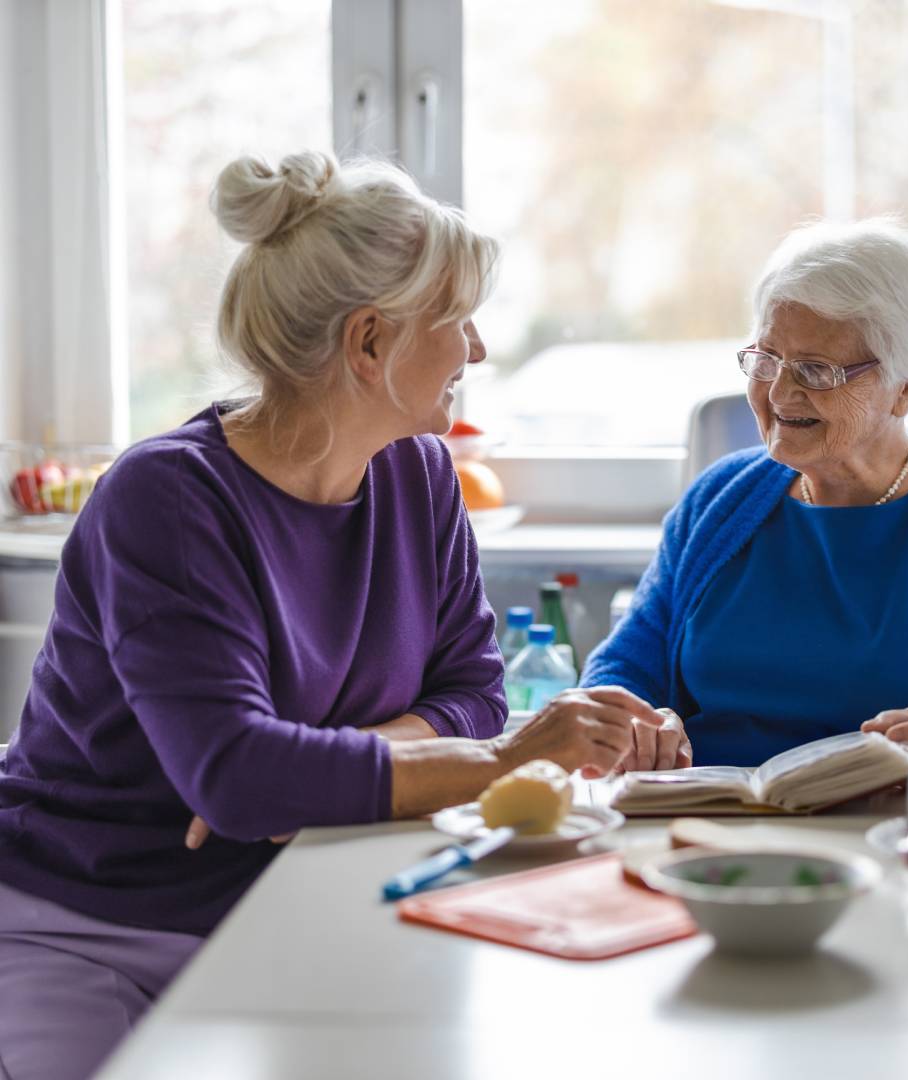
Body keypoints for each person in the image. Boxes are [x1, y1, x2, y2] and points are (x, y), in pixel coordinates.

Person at [0, 151, 664, 1080]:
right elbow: (238, 777)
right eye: (458, 322)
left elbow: (470, 687)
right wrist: (503, 761)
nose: (476, 352)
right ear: (368, 344)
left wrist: (308, 773)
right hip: (89, 922)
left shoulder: (418, 473)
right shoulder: (166, 498)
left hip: (293, 890)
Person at [583, 218, 908, 769]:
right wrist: (639, 721)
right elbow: (623, 669)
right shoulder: (719, 499)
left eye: (816, 370)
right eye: (767, 358)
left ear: (904, 389)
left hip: (894, 832)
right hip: (707, 818)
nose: (779, 392)